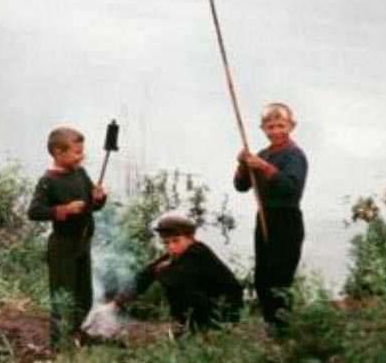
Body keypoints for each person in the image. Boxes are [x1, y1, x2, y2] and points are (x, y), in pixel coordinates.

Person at [28, 126, 107, 350]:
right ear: (58, 153)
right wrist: (64, 210)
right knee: (63, 296)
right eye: (77, 152)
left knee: (84, 296)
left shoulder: (80, 174)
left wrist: (99, 198)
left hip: (83, 243)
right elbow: (34, 211)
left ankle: (75, 333)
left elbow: (92, 205)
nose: (82, 156)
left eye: (82, 151)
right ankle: (58, 343)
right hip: (63, 246)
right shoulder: (48, 180)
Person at [234, 102, 308, 329]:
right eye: (270, 127)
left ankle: (284, 328)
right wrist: (243, 165)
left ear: (291, 126)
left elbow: (291, 188)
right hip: (265, 217)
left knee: (280, 278)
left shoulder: (295, 155)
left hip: (287, 220)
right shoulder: (263, 154)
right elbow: (241, 186)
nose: (276, 131)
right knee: (263, 278)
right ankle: (271, 325)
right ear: (263, 129)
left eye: (280, 126)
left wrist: (264, 167)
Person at [115, 213, 243, 331]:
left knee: (174, 284)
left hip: (226, 312)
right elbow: (146, 275)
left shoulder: (198, 252)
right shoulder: (178, 254)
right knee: (164, 275)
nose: (171, 247)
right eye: (166, 243)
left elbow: (173, 278)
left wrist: (164, 268)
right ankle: (190, 326)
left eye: (176, 241)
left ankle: (199, 328)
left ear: (190, 238)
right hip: (211, 305)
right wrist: (116, 303)